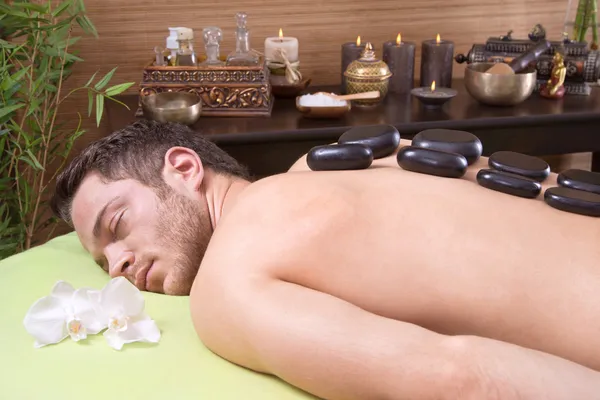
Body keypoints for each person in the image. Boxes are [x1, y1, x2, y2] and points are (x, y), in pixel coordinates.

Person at [51, 120, 600, 400]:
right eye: (103, 263)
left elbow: (459, 380)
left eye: (117, 225)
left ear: (184, 167)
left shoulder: (229, 280)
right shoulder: (347, 159)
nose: (118, 264)